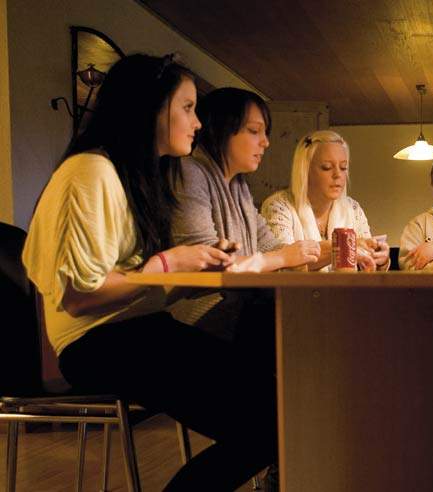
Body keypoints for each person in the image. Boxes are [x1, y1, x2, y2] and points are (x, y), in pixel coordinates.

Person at [21, 54, 276, 490]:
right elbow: (78, 297)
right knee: (269, 418)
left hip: (135, 329)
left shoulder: (132, 177)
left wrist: (193, 264)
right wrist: (168, 264)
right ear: (151, 107)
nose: (198, 123)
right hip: (95, 342)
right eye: (188, 108)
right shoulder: (90, 172)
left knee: (272, 403)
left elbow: (136, 279)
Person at [169, 88, 319, 343]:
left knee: (312, 311)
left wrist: (333, 250)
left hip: (241, 305)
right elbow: (204, 262)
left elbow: (272, 247)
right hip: (201, 313)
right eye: (254, 131)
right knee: (301, 323)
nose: (266, 142)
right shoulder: (189, 173)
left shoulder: (239, 186)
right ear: (222, 130)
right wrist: (283, 257)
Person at [261, 130, 389, 271]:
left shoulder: (353, 208)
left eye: (343, 167)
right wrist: (343, 247)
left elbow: (366, 262)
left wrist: (380, 259)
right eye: (326, 167)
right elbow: (284, 264)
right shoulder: (278, 206)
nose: (337, 175)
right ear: (305, 170)